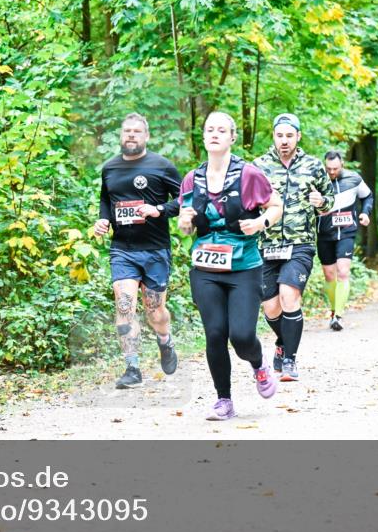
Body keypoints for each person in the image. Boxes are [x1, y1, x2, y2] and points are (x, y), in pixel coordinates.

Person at [177, 112, 283, 420]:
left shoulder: (249, 174)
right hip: (205, 268)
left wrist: (261, 222)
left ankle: (258, 364)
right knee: (214, 333)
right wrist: (184, 223)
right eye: (209, 129)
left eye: (221, 130)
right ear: (204, 137)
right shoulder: (191, 178)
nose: (214, 134)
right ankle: (224, 401)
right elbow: (186, 221)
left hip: (243, 267)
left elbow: (275, 206)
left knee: (241, 336)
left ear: (232, 138)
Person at [94, 113, 182, 389]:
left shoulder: (162, 166)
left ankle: (165, 341)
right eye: (126, 131)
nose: (131, 135)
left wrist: (158, 210)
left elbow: (184, 200)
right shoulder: (110, 168)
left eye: (136, 131)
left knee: (155, 312)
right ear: (121, 136)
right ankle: (132, 368)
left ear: (146, 137)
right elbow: (106, 200)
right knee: (124, 305)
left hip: (155, 250)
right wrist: (103, 220)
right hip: (123, 250)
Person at [252, 113, 335, 381]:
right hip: (266, 244)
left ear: (298, 136)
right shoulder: (259, 166)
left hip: (300, 244)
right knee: (271, 308)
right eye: (280, 135)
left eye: (289, 135)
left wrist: (321, 201)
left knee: (289, 295)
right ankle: (282, 341)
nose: (284, 140)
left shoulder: (313, 165)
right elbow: (246, 201)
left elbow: (330, 200)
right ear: (273, 136)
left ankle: (289, 361)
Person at [316, 150, 373, 331]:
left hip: (347, 232)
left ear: (342, 165)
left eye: (335, 168)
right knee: (329, 275)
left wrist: (365, 212)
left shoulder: (354, 178)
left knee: (342, 272)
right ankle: (333, 310)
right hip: (324, 233)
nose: (332, 172)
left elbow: (368, 196)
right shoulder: (317, 180)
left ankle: (338, 316)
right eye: (329, 168)